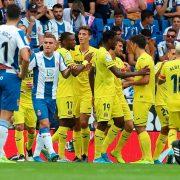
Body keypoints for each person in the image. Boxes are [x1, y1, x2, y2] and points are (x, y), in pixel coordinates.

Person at [89, 31, 150, 163]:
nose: (117, 43)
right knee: (103, 123)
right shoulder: (103, 54)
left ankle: (104, 151)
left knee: (120, 121)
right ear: (110, 40)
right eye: (115, 41)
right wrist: (139, 72)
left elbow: (91, 73)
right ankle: (97, 156)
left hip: (112, 94)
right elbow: (117, 73)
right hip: (104, 94)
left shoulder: (108, 56)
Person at [29, 33, 71, 162]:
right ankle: (52, 152)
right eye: (45, 43)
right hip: (39, 96)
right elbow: (26, 70)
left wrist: (71, 67)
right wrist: (28, 81)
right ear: (42, 44)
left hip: (53, 97)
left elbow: (65, 74)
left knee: (44, 127)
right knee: (45, 123)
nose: (47, 45)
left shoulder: (58, 56)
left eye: (50, 43)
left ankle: (36, 155)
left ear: (55, 45)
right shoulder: (36, 57)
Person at [53, 32, 92, 162]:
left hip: (69, 92)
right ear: (64, 42)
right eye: (71, 40)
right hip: (66, 92)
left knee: (70, 123)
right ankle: (54, 151)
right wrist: (86, 61)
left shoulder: (63, 52)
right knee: (65, 123)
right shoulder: (64, 53)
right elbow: (74, 72)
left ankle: (74, 155)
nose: (74, 42)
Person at [0, 4, 30, 163]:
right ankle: (0, 154)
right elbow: (25, 57)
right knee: (6, 116)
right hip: (10, 75)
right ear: (20, 16)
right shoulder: (18, 32)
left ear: (5, 15)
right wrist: (23, 74)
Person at [125, 34, 155, 164]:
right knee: (139, 126)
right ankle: (145, 157)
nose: (129, 47)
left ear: (135, 44)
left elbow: (145, 80)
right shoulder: (143, 59)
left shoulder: (144, 59)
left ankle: (148, 158)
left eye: (130, 44)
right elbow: (139, 79)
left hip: (143, 97)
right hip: (142, 96)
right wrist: (127, 77)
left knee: (140, 127)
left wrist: (129, 83)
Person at [71, 26, 96, 162]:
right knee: (76, 125)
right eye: (79, 34)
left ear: (89, 37)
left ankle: (85, 154)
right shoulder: (73, 50)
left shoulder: (95, 52)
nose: (81, 36)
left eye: (84, 34)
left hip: (87, 91)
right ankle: (77, 155)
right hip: (74, 92)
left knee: (84, 122)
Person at [158, 42, 180, 161]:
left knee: (173, 128)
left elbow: (160, 81)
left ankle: (172, 153)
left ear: (175, 53)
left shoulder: (167, 65)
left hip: (172, 102)